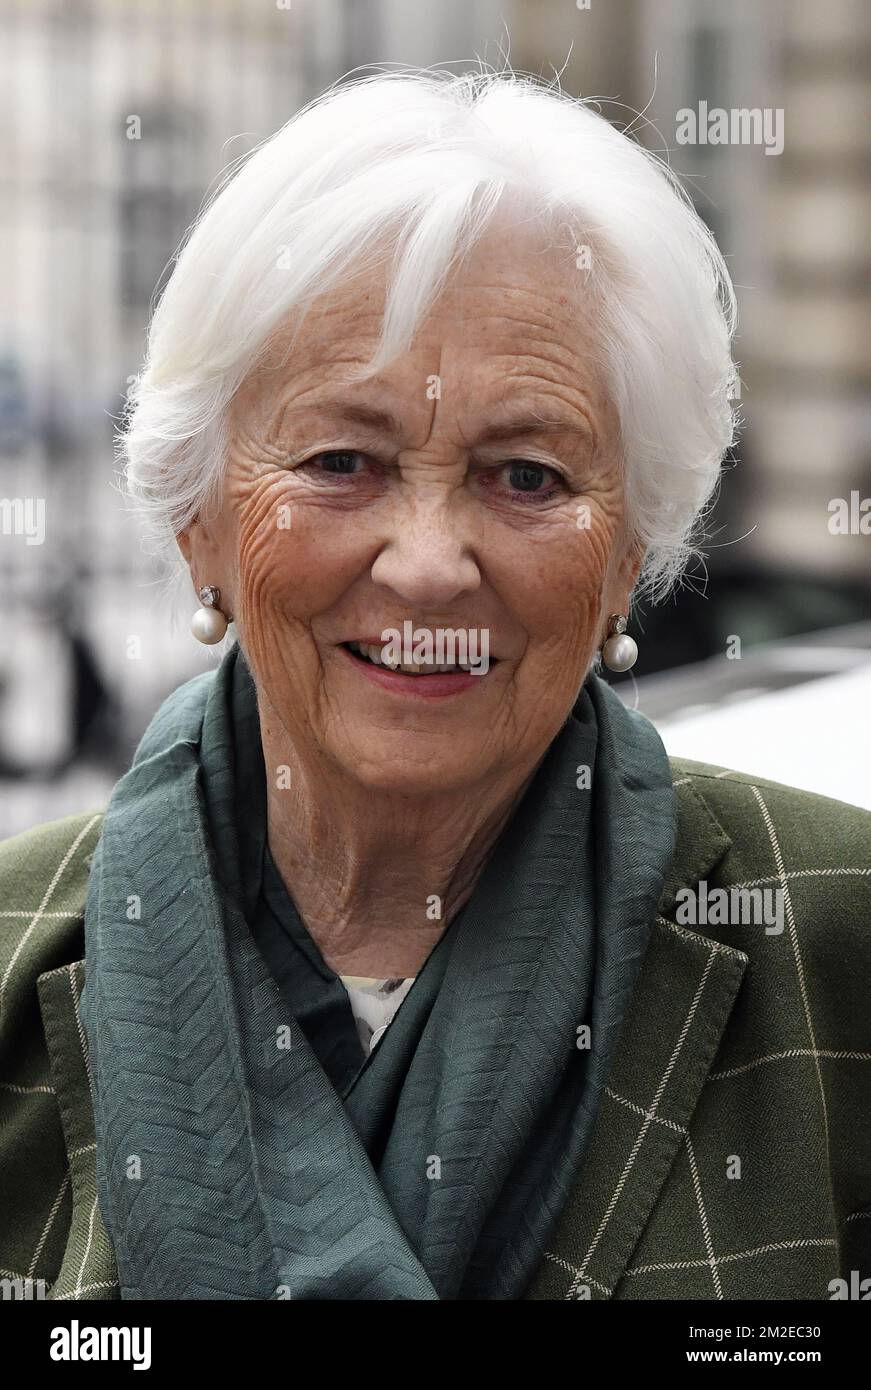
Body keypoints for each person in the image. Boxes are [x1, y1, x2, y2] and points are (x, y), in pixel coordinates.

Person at [1, 67, 869, 1302]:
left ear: (630, 551)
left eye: (526, 476)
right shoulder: (14, 948)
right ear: (198, 520)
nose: (426, 564)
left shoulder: (841, 941)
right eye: (340, 460)